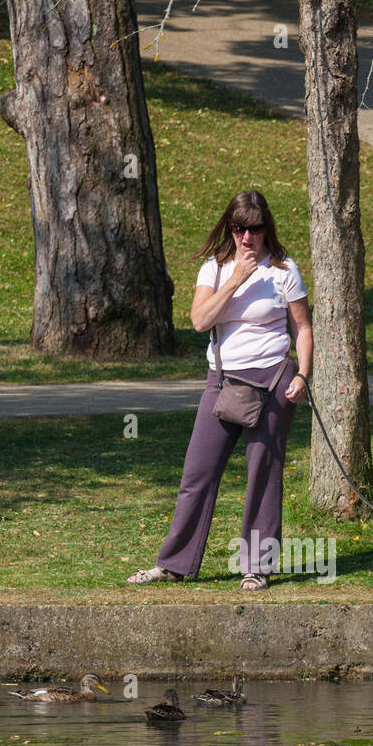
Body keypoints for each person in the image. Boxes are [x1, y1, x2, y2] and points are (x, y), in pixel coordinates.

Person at [126, 190, 313, 590]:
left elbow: (302, 328)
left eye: (256, 229)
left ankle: (257, 567)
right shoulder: (214, 269)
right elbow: (199, 320)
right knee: (198, 472)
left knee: (264, 473)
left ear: (267, 229)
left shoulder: (284, 270)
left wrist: (303, 376)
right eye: (240, 228)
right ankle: (174, 563)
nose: (248, 237)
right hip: (223, 382)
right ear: (231, 228)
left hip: (274, 382)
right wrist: (236, 279)